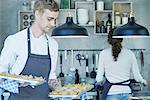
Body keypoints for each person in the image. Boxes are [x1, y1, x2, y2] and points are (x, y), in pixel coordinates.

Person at [0, 0, 59, 99]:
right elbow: (1, 75)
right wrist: (15, 84)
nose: (53, 24)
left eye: (55, 20)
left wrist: (63, 91)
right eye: (49, 19)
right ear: (37, 14)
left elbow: (51, 78)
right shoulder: (14, 40)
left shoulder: (53, 45)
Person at [96, 29, 147, 100]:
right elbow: (137, 77)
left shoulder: (103, 53)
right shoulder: (130, 53)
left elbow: (99, 79)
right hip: (127, 93)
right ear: (122, 39)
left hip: (111, 94)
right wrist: (143, 81)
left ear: (109, 40)